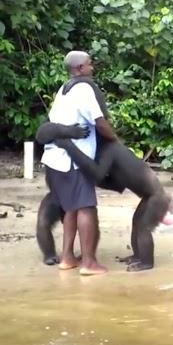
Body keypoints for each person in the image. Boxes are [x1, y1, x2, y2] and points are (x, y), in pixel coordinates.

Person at [40, 50, 117, 276]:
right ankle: (89, 263)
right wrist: (117, 141)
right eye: (90, 64)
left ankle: (67, 258)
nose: (92, 68)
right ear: (80, 68)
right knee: (86, 209)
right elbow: (100, 122)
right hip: (73, 162)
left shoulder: (63, 89)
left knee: (71, 208)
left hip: (54, 159)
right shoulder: (84, 88)